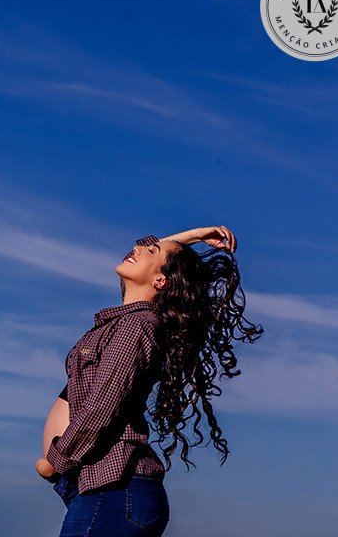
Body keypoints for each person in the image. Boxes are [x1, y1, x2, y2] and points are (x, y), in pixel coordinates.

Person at [34, 226, 264, 537]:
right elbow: (150, 252)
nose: (138, 247)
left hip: (115, 488)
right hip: (102, 489)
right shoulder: (126, 320)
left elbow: (104, 404)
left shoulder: (136, 326)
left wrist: (56, 461)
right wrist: (191, 237)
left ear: (160, 281)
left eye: (152, 252)